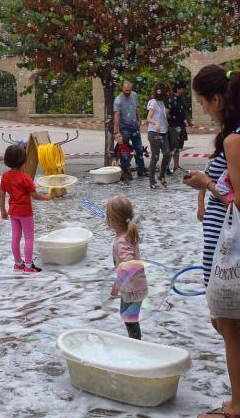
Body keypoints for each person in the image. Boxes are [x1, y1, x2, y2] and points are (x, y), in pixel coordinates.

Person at [182, 66, 240, 418]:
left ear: (217, 99)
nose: (203, 109)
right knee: (224, 322)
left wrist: (206, 184)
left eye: (203, 103)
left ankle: (239, 406)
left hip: (229, 242)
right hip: (228, 240)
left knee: (229, 324)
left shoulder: (237, 139)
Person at [0, 144, 53, 273]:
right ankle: (28, 266)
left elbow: (1, 194)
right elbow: (34, 195)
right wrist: (46, 197)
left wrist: (3, 210)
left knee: (15, 237)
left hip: (13, 212)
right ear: (23, 162)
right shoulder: (25, 178)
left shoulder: (5, 176)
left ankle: (18, 264)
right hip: (25, 213)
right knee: (29, 238)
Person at [106, 196, 147, 340]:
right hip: (135, 286)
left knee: (129, 320)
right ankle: (135, 343)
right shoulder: (127, 234)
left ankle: (136, 345)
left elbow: (128, 266)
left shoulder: (122, 241)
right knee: (129, 318)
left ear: (110, 220)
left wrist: (116, 287)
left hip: (132, 288)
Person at [113, 80, 147, 178]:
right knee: (125, 151)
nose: (128, 92)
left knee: (139, 149)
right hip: (124, 128)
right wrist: (117, 132)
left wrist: (139, 118)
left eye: (130, 90)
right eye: (126, 90)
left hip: (134, 127)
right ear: (122, 88)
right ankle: (125, 171)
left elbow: (136, 108)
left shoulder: (134, 95)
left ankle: (141, 170)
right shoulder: (118, 100)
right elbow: (117, 116)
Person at [144, 82, 171, 189]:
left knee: (167, 154)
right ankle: (152, 181)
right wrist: (156, 123)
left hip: (164, 132)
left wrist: (167, 123)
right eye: (166, 91)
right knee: (155, 156)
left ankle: (161, 175)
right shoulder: (153, 102)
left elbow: (162, 117)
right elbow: (148, 118)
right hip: (154, 132)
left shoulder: (162, 103)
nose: (167, 93)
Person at [166, 82, 192, 173]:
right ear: (177, 89)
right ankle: (166, 167)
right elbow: (166, 112)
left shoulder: (182, 99)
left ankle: (176, 166)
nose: (184, 91)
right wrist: (170, 121)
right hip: (173, 127)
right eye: (182, 89)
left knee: (178, 147)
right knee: (172, 147)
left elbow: (184, 111)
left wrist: (189, 121)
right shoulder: (172, 99)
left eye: (184, 89)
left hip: (181, 126)